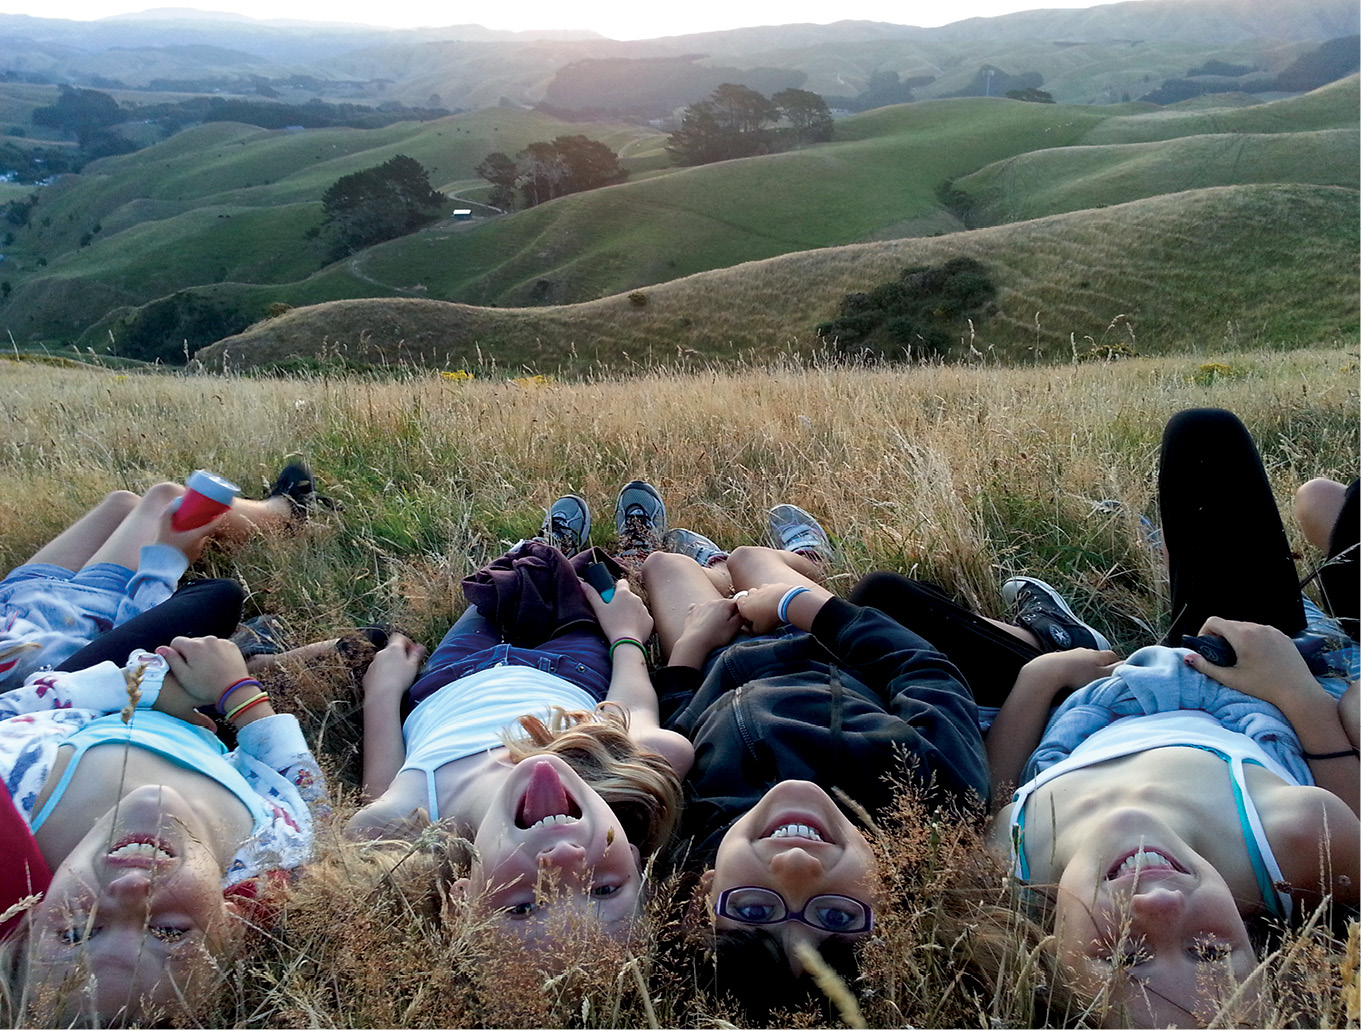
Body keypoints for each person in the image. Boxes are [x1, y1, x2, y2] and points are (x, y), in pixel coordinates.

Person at [983, 408, 1359, 1027]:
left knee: (884, 598)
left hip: (1092, 706)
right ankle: (1302, 612)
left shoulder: (1008, 872)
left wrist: (1041, 676)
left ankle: (1062, 636)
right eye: (1209, 949)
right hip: (1244, 684)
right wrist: (1294, 688)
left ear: (1051, 960)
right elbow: (1348, 801)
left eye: (1124, 955)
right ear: (1258, 952)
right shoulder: (1291, 847)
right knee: (1204, 439)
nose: (1157, 906)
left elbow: (995, 788)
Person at [639, 501, 990, 1010]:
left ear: (704, 900)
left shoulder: (685, 835)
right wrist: (798, 606)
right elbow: (925, 672)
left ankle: (717, 575)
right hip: (822, 640)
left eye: (755, 910)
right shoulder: (930, 795)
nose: (797, 866)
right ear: (886, 902)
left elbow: (676, 730)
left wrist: (691, 648)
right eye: (837, 917)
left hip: (716, 659)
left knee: (662, 566)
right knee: (751, 558)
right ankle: (798, 564)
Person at [346, 487, 693, 944]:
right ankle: (615, 552)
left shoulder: (398, 827)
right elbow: (632, 705)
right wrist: (627, 634)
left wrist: (383, 691)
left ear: (460, 903)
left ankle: (542, 546)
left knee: (505, 578)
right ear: (631, 858)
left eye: (525, 905)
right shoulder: (631, 772)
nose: (566, 860)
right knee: (594, 582)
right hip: (572, 671)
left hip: (451, 676)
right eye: (604, 888)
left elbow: (379, 782)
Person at [0, 634, 327, 1025]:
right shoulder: (269, 853)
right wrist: (241, 696)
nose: (130, 890)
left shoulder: (24, 800)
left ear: (30, 926)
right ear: (230, 925)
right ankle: (253, 656)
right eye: (169, 932)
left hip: (121, 690)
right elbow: (304, 792)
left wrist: (153, 688)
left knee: (216, 600)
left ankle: (249, 651)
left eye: (76, 933)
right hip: (220, 723)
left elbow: (19, 709)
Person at [0, 463, 327, 688]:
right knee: (166, 498)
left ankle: (275, 517)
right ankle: (285, 514)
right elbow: (117, 654)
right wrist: (166, 556)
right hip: (87, 615)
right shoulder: (28, 679)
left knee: (122, 503)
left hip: (25, 597)